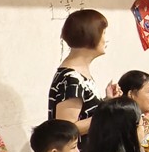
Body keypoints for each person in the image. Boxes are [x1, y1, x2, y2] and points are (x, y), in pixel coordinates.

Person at [48, 9, 121, 138]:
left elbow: (85, 113)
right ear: (91, 35)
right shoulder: (71, 78)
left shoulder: (78, 73)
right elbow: (67, 129)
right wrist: (109, 111)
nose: (106, 39)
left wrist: (107, 102)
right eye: (103, 33)